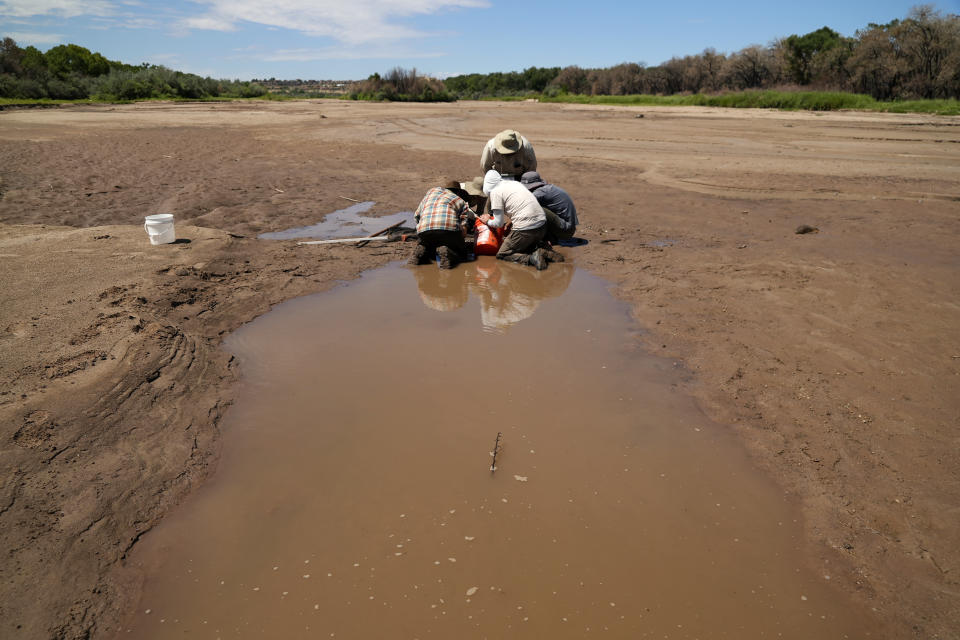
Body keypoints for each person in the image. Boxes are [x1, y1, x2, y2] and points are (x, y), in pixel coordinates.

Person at [480, 170, 551, 270]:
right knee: (525, 246)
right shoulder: (515, 183)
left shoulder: (495, 192)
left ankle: (531, 259)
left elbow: (499, 223)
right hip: (542, 225)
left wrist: (486, 221)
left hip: (527, 229)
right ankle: (545, 252)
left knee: (503, 254)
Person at [409, 181, 475, 269]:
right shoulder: (460, 201)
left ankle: (422, 250)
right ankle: (448, 251)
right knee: (462, 254)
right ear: (458, 192)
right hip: (448, 231)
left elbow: (416, 217)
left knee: (430, 248)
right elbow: (463, 232)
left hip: (424, 230)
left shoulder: (430, 194)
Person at [520, 171, 579, 244]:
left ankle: (544, 238)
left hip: (566, 230)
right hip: (567, 227)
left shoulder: (540, 192)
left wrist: (510, 224)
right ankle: (549, 237)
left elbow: (522, 206)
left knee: (534, 209)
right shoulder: (547, 189)